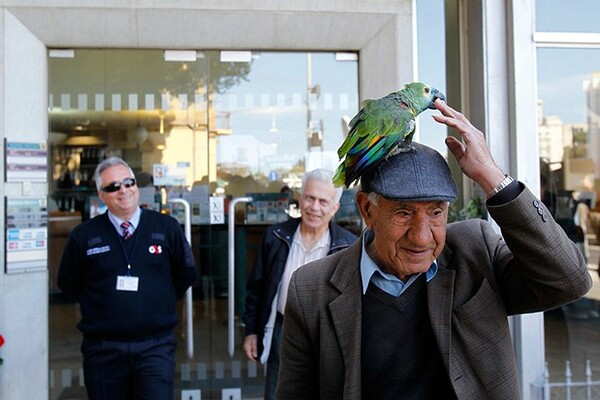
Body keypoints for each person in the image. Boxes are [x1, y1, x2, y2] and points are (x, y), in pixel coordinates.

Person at [277, 100, 592, 400]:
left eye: (436, 211)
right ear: (367, 210)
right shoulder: (312, 289)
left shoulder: (475, 250)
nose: (422, 237)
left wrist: (492, 177)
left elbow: (570, 280)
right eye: (403, 213)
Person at [57, 157, 197, 400]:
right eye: (113, 186)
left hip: (155, 347)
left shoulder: (166, 227)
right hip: (104, 349)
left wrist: (154, 299)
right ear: (101, 195)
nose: (123, 191)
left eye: (128, 183)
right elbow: (69, 283)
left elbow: (185, 274)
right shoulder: (84, 235)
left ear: (136, 186)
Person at [242, 169, 358, 400]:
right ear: (300, 199)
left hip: (328, 332)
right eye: (310, 198)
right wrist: (252, 332)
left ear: (334, 208)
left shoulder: (349, 247)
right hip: (282, 328)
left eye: (323, 201)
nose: (314, 207)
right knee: (278, 392)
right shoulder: (275, 236)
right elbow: (256, 288)